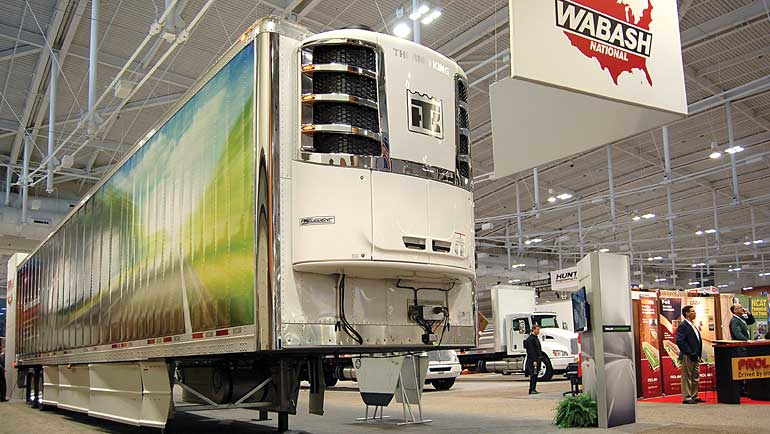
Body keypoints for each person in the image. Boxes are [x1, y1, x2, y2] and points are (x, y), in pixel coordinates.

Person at [676, 305, 703, 404]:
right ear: (687, 313)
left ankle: (694, 395)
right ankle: (687, 397)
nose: (695, 313)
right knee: (687, 377)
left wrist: (698, 354)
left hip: (695, 355)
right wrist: (690, 352)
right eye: (692, 311)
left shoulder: (693, 325)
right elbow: (680, 341)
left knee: (695, 376)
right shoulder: (683, 326)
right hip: (688, 355)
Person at [523, 323, 542, 395]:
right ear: (533, 329)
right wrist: (534, 360)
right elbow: (531, 351)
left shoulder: (535, 338)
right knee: (533, 374)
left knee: (535, 374)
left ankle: (533, 388)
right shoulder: (530, 339)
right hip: (532, 360)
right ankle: (531, 389)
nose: (538, 331)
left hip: (537, 359)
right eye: (537, 329)